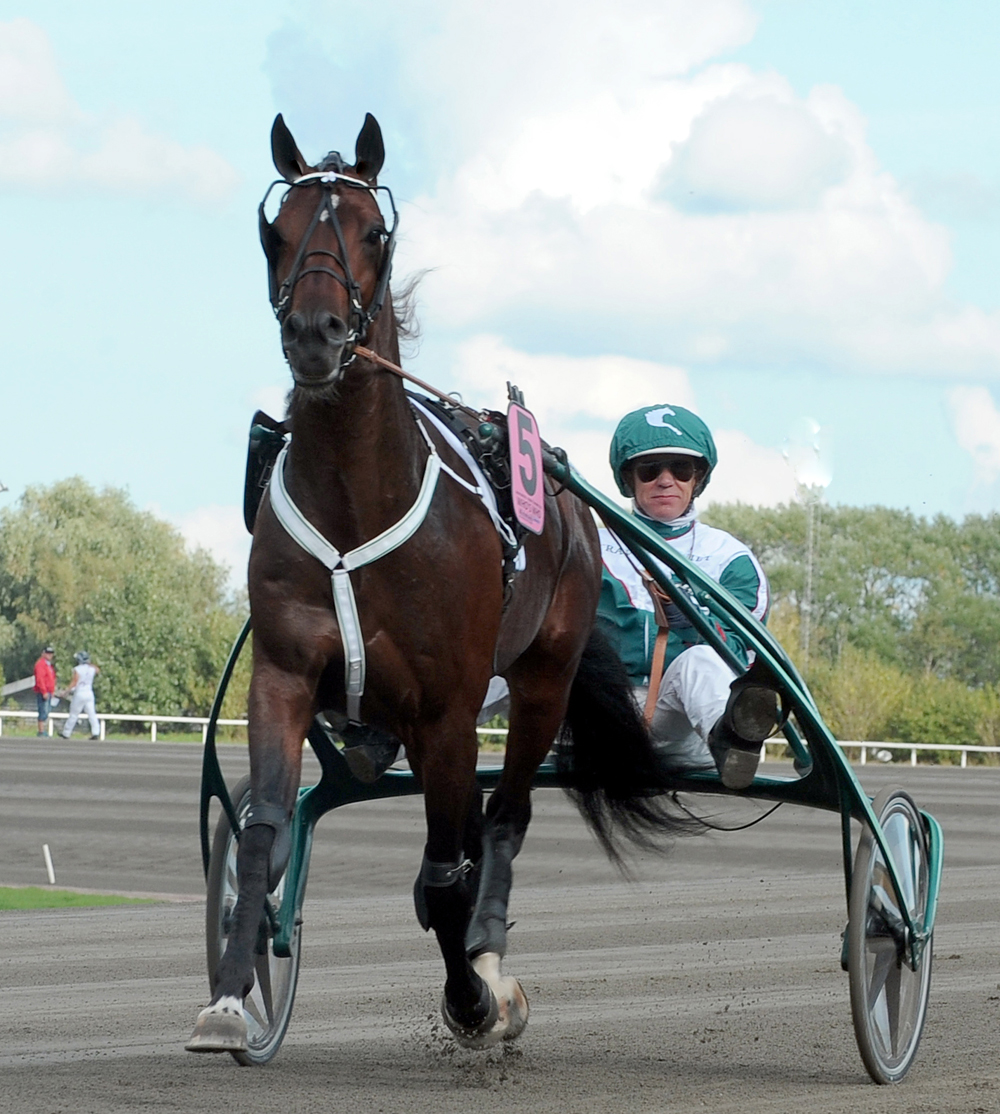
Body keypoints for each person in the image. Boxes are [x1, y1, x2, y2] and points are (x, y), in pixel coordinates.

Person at [597, 403, 776, 789]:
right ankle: (435, 733)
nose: (665, 481)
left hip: (678, 723)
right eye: (649, 470)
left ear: (698, 478)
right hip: (593, 717)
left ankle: (734, 743)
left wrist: (691, 623)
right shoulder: (585, 546)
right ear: (628, 479)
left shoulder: (732, 558)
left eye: (680, 469)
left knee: (699, 660)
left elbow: (743, 651)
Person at [61, 652, 101, 740]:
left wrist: (66, 692)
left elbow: (74, 682)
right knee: (92, 713)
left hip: (80, 693)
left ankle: (66, 733)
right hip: (89, 693)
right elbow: (98, 670)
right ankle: (96, 732)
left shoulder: (77, 669)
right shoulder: (92, 669)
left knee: (74, 714)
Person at [33, 646, 57, 737]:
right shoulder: (40, 664)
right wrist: (44, 691)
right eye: (47, 653)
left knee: (47, 711)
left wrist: (52, 691)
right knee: (43, 710)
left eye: (51, 653)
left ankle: (43, 730)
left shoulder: (48, 665)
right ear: (43, 654)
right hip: (43, 692)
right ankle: (41, 731)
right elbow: (40, 679)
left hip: (49, 692)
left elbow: (52, 679)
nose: (49, 655)